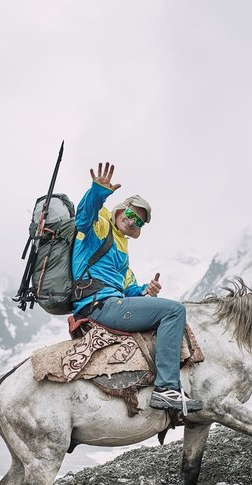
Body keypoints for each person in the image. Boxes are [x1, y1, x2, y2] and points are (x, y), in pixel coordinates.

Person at [71, 162, 204, 413]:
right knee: (173, 311)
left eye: (139, 223)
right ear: (120, 211)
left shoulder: (122, 249)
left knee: (163, 307)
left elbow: (128, 287)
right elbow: (83, 219)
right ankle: (166, 389)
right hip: (100, 303)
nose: (133, 222)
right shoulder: (100, 225)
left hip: (109, 301)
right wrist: (98, 192)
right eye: (131, 215)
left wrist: (146, 290)